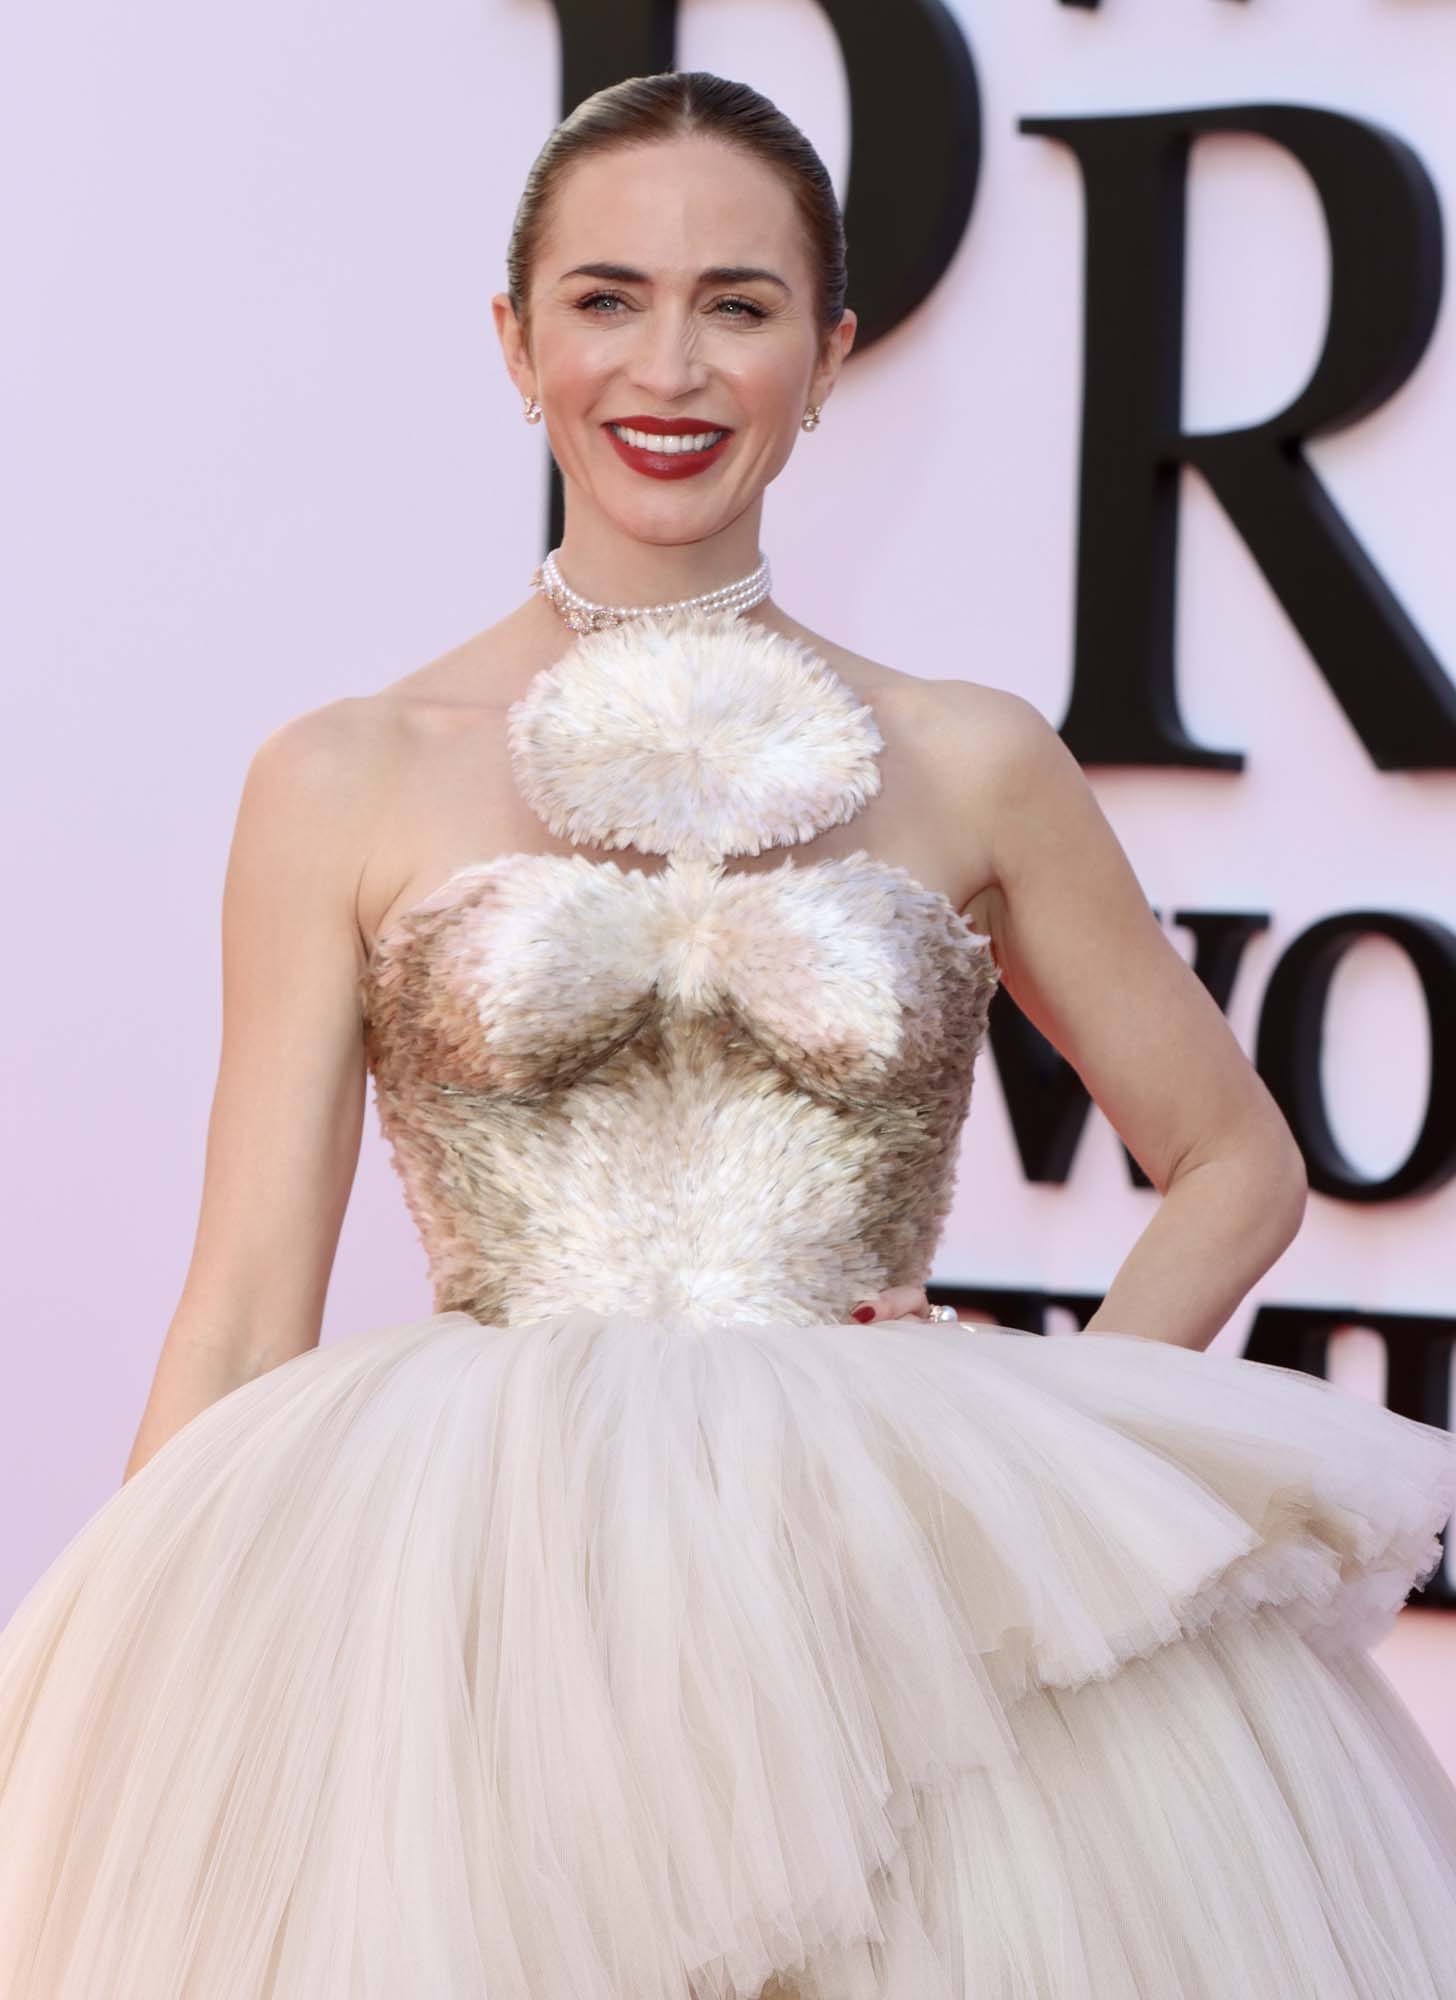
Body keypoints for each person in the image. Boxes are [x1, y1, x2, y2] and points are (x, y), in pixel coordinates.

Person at [2, 66, 1455, 2000]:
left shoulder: (975, 758)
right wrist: (132, 1682)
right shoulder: (342, 774)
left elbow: (1236, 1162)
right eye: (606, 299)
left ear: (831, 354)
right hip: (482, 1604)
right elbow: (248, 1304)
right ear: (514, 341)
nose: (668, 368)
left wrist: (1046, 1454)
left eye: (739, 304)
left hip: (880, 1593)